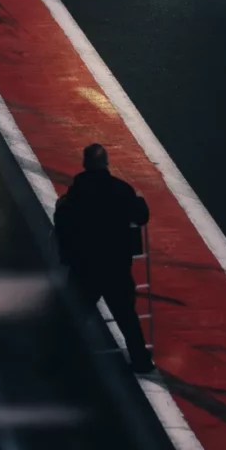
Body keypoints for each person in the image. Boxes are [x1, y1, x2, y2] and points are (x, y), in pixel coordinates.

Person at [54, 143, 154, 374]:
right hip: (116, 265)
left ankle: (61, 362)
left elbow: (62, 221)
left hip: (85, 266)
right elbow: (141, 216)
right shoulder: (121, 189)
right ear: (106, 163)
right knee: (127, 316)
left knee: (74, 315)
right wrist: (138, 202)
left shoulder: (76, 193)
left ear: (85, 164)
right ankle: (140, 361)